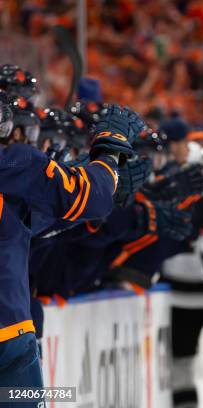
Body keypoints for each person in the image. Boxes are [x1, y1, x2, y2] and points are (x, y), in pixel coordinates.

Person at [0, 92, 141, 394]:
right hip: (8, 331)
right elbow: (90, 196)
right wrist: (108, 155)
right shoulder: (17, 164)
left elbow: (28, 224)